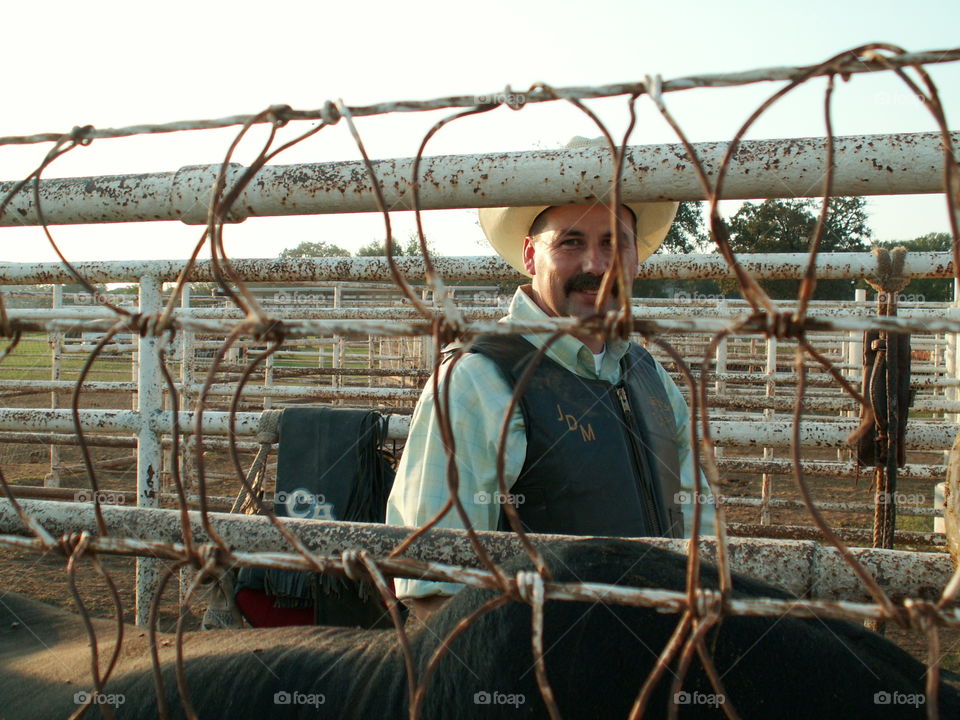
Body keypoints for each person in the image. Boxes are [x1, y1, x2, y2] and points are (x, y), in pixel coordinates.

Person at [386, 137, 715, 622]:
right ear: (530, 255)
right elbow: (437, 588)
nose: (596, 266)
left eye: (613, 242)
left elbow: (701, 534)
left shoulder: (648, 375)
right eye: (571, 242)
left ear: (634, 259)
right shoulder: (479, 379)